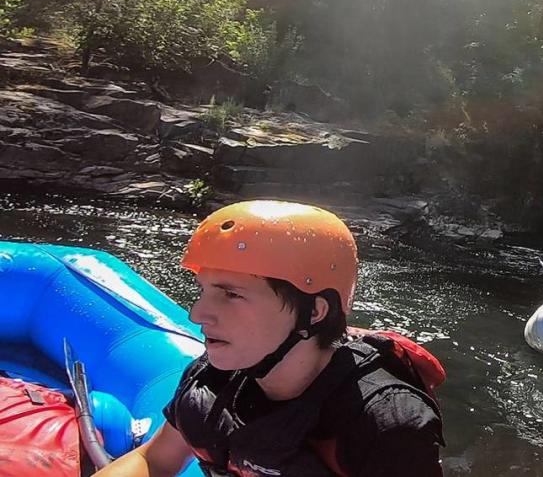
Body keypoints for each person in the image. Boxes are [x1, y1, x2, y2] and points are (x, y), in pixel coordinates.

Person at [94, 200, 444, 477]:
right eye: (202, 291)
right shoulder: (213, 378)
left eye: (231, 294)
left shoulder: (386, 423)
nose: (197, 314)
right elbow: (156, 461)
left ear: (314, 312)